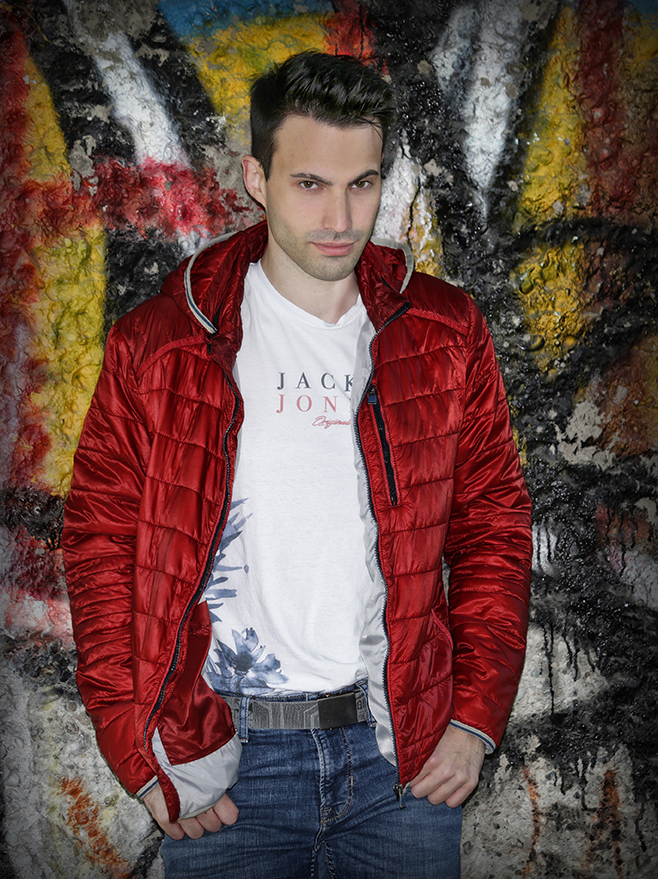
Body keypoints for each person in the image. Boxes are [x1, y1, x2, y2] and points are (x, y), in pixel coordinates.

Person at [63, 50, 532, 878]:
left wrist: (473, 717)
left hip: (401, 759)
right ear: (257, 177)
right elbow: (99, 544)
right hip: (224, 762)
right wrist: (138, 748)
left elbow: (493, 524)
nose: (340, 217)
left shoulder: (445, 331)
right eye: (310, 183)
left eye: (362, 183)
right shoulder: (161, 342)